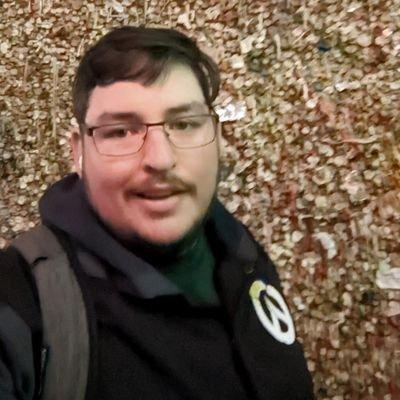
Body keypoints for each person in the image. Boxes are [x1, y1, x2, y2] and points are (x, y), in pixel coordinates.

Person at [0, 26, 314, 400]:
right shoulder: (23, 297)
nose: (161, 159)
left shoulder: (242, 254)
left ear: (217, 137)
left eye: (184, 124)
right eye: (121, 131)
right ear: (78, 152)